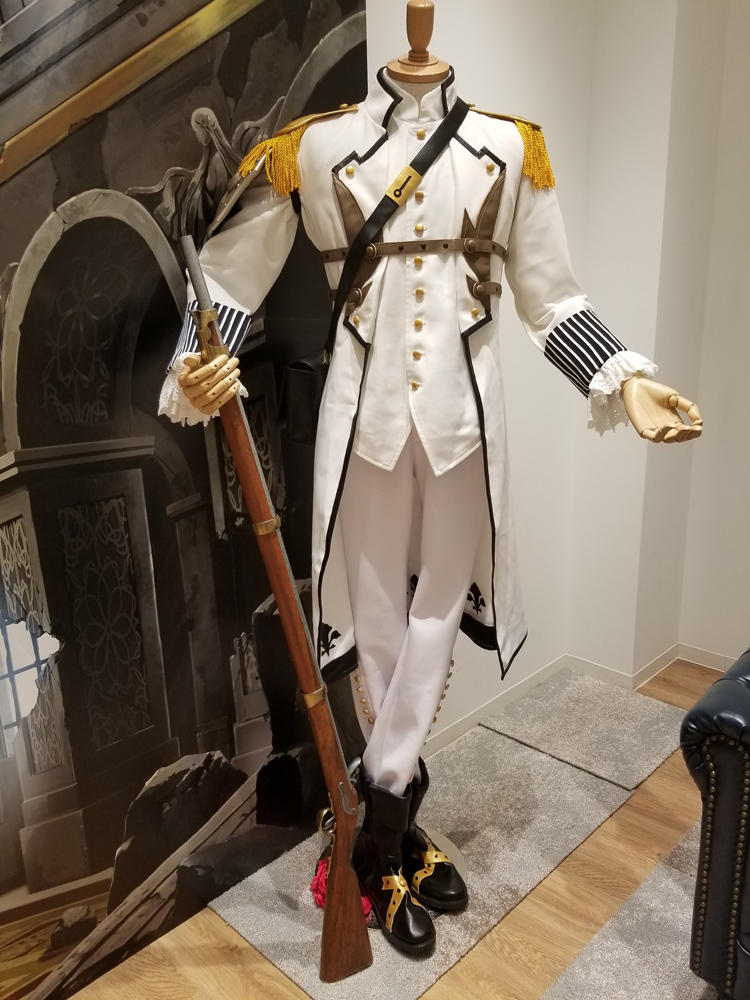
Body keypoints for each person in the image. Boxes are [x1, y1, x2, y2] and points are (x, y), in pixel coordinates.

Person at [159, 65, 702, 955]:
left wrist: (623, 378)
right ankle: (390, 838)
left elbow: (552, 296)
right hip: (361, 425)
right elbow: (226, 277)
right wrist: (194, 363)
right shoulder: (311, 147)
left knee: (439, 617)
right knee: (376, 627)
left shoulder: (509, 146)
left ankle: (370, 831)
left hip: (465, 429)